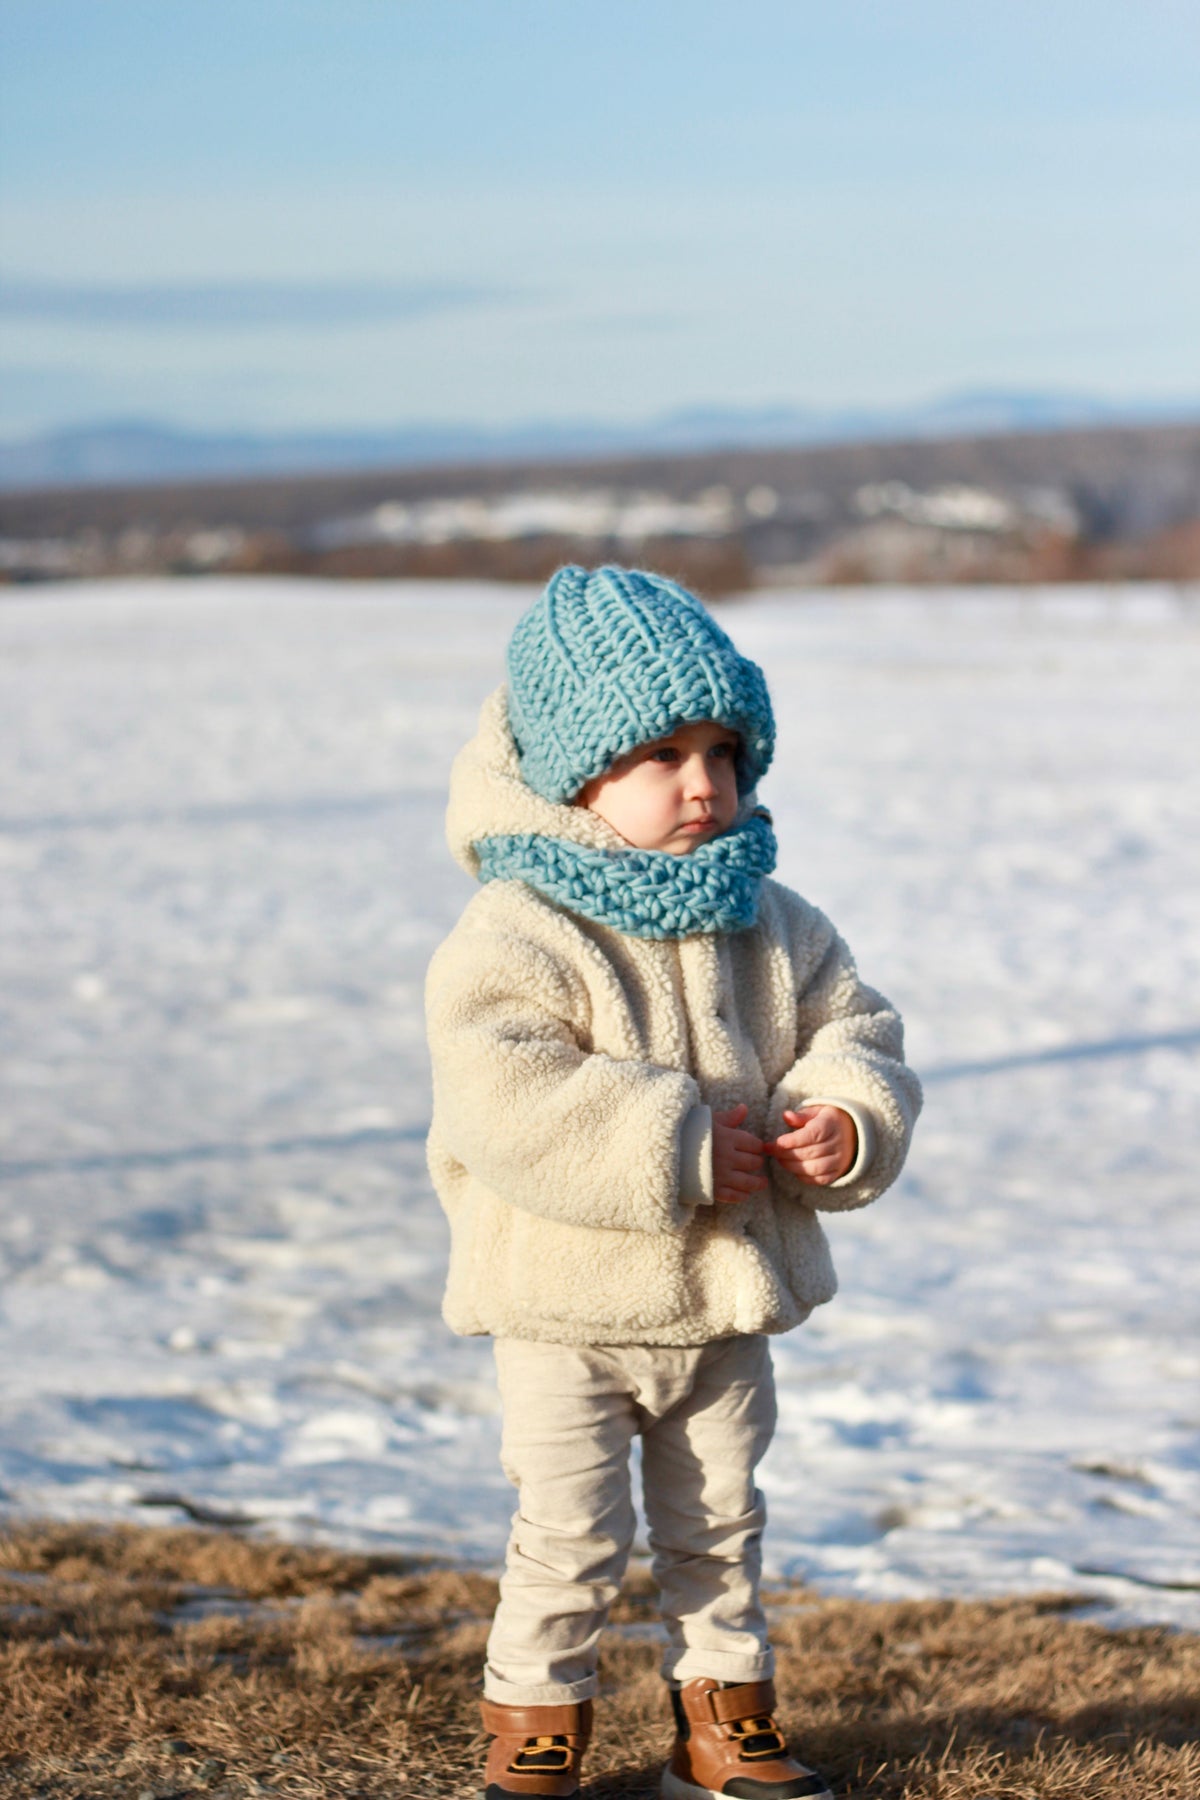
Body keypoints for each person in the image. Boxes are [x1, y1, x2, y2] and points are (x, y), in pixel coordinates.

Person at [425, 565, 922, 1800]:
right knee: (572, 1536)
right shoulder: (517, 928)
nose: (704, 785)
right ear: (575, 771)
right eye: (660, 754)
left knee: (720, 1523)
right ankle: (536, 1726)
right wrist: (682, 1142)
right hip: (563, 1307)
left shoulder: (775, 918)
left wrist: (844, 1121)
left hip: (720, 1300)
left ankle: (725, 1725)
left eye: (725, 752)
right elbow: (506, 1096)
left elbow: (853, 1030)